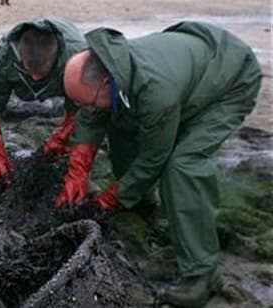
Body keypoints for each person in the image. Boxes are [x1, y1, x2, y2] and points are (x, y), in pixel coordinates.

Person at [60, 21, 261, 307]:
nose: (88, 110)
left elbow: (154, 158)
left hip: (229, 79)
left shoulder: (155, 91)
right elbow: (93, 116)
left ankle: (202, 273)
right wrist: (77, 171)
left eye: (89, 102)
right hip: (190, 67)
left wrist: (110, 198)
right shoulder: (111, 65)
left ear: (106, 82)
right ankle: (140, 200)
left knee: (182, 165)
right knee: (121, 122)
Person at [0, 17, 87, 184]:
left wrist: (63, 135)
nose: (34, 77)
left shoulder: (77, 57)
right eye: (30, 72)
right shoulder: (9, 54)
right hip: (13, 66)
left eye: (40, 73)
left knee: (81, 91)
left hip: (65, 71)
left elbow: (85, 107)